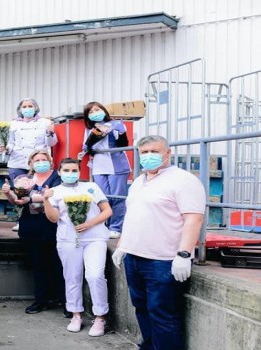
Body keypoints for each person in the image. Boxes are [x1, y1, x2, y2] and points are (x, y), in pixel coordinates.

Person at [111, 135, 206, 350]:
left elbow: (193, 218)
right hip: (134, 257)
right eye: (144, 152)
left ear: (167, 153)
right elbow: (133, 215)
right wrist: (122, 246)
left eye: (154, 151)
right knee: (142, 307)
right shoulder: (138, 182)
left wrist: (183, 254)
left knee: (163, 314)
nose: (149, 156)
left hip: (162, 260)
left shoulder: (183, 180)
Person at [42, 158, 112, 337]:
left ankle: (100, 316)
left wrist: (90, 224)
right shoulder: (55, 192)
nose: (71, 173)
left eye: (74, 170)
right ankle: (76, 314)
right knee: (72, 277)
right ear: (59, 172)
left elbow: (107, 211)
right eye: (66, 170)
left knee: (95, 275)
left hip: (95, 238)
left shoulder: (92, 187)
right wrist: (46, 201)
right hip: (68, 240)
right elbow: (53, 218)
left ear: (80, 172)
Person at [1, 150, 66, 315]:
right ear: (30, 164)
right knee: (38, 264)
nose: (40, 162)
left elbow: (54, 196)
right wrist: (8, 192)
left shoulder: (57, 178)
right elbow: (18, 201)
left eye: (44, 159)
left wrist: (31, 198)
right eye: (37, 160)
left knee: (58, 264)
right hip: (31, 225)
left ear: (50, 161)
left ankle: (65, 301)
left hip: (52, 224)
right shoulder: (25, 180)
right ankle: (41, 300)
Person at [5, 98, 57, 231]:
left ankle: (44, 217)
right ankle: (20, 219)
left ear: (36, 108)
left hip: (38, 161)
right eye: (25, 106)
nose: (27, 108)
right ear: (20, 109)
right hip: (17, 161)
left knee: (40, 190)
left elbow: (51, 143)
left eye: (30, 106)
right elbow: (10, 142)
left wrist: (50, 132)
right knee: (19, 190)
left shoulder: (45, 122)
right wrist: (7, 149)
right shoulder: (13, 124)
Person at [80, 102, 130, 239]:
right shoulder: (89, 129)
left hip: (117, 165)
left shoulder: (115, 124)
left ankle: (116, 227)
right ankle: (103, 225)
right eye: (91, 112)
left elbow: (123, 144)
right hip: (98, 167)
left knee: (117, 197)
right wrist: (89, 144)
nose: (95, 112)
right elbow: (87, 149)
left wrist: (121, 132)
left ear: (104, 110)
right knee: (102, 197)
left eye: (97, 109)